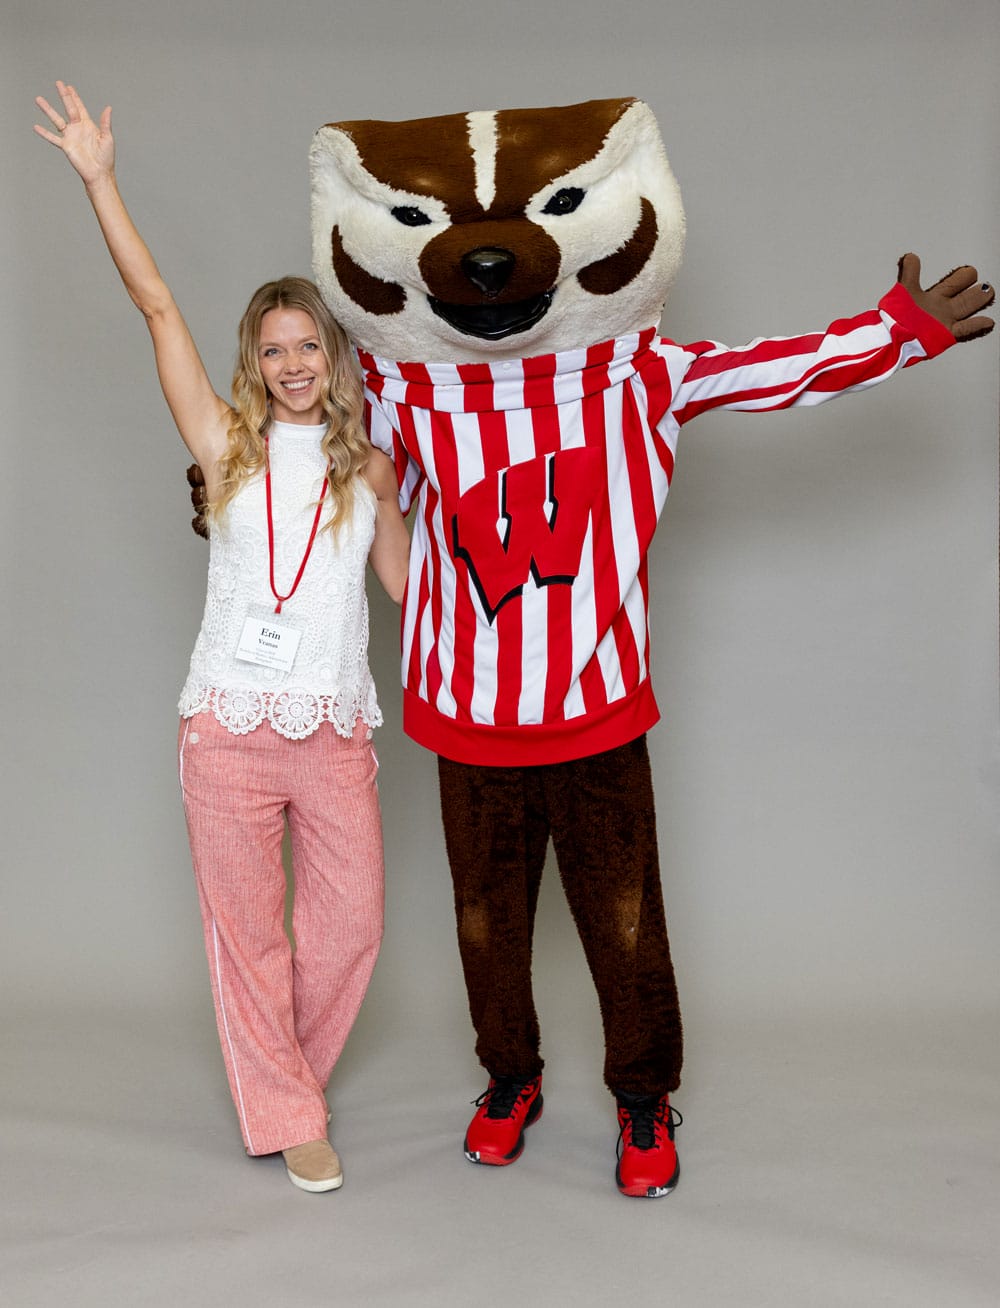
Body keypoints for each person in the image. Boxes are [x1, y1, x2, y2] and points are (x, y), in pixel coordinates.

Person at [34, 81, 410, 1194]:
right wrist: (102, 180)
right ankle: (294, 1112)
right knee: (247, 937)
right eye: (273, 348)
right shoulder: (223, 447)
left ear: (333, 360)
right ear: (253, 363)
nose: (293, 363)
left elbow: (409, 595)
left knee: (347, 931)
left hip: (332, 729)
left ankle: (278, 1078)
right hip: (227, 731)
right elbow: (155, 308)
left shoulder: (370, 467)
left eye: (309, 346)